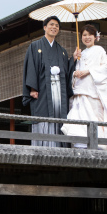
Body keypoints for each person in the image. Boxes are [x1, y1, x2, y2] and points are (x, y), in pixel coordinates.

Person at [22, 16, 79, 147]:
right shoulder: (35, 46)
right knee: (43, 116)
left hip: (58, 90)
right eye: (51, 24)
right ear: (45, 27)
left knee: (59, 116)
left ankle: (58, 149)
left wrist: (73, 59)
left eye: (57, 26)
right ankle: (42, 149)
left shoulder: (62, 51)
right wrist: (33, 88)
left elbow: (66, 71)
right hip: (43, 90)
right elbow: (31, 67)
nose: (54, 27)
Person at [61, 24, 107, 150]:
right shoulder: (81, 53)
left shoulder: (99, 50)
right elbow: (73, 71)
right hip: (80, 91)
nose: (87, 37)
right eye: (84, 35)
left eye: (90, 35)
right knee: (79, 119)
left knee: (94, 118)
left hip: (93, 92)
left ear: (95, 37)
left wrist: (88, 71)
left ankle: (98, 145)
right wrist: (75, 70)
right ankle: (80, 145)